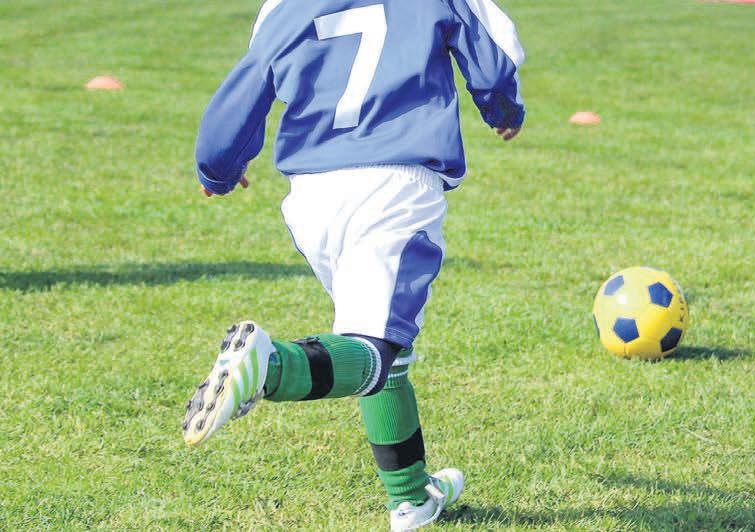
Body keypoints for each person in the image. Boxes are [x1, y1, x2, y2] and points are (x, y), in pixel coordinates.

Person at [181, 1, 524, 529]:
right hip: (395, 183)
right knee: (374, 348)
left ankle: (411, 499)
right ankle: (266, 366)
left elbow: (252, 76)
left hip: (311, 196)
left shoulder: (283, 5)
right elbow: (493, 57)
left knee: (386, 345)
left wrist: (219, 165)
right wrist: (503, 109)